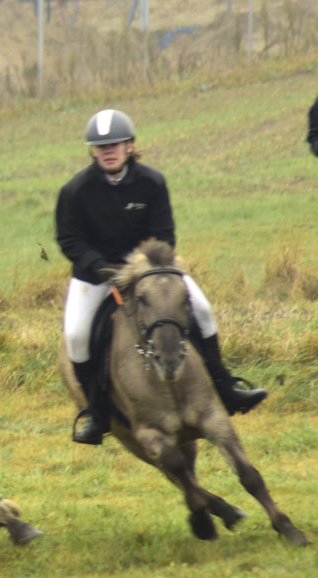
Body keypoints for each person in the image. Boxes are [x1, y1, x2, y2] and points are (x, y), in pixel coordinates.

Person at [55, 108, 267, 445]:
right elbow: (69, 239)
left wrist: (143, 268)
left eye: (115, 144)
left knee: (203, 309)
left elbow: (164, 234)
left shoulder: (151, 182)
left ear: (130, 145)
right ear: (92, 151)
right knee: (77, 337)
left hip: (148, 271)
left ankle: (226, 388)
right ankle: (96, 414)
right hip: (95, 276)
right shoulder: (75, 190)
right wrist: (99, 267)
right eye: (100, 146)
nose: (108, 150)